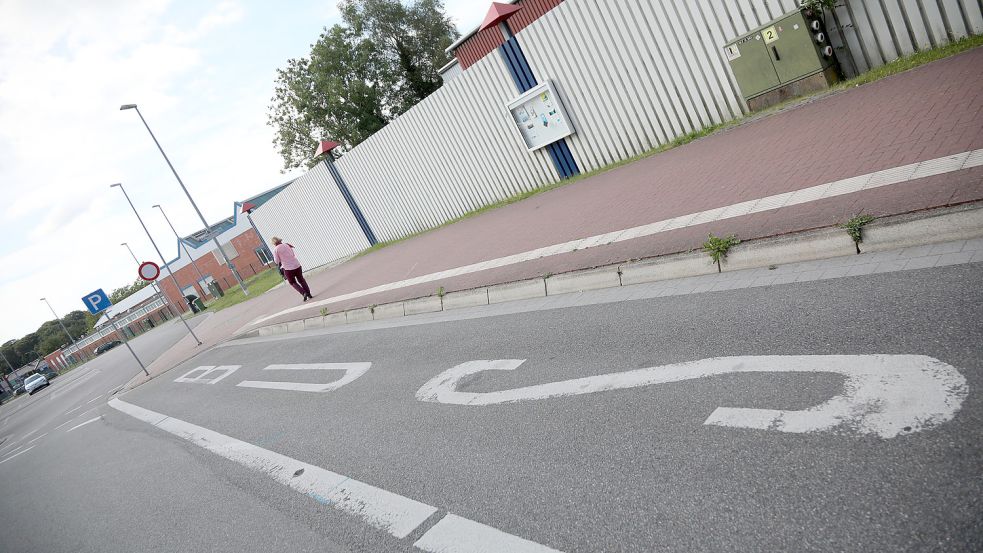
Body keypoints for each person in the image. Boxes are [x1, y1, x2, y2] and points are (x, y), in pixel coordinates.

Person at [271, 237, 313, 302]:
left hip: (288, 268)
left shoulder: (276, 249)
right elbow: (293, 254)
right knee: (301, 280)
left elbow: (277, 261)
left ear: (274, 243)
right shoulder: (287, 245)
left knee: (292, 282)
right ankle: (309, 294)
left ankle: (303, 293)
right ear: (279, 240)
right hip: (297, 264)